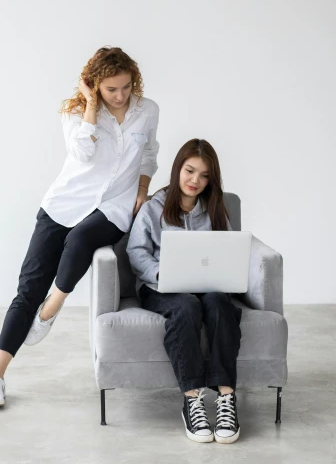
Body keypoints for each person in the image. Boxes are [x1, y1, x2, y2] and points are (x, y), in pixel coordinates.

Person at [0, 47, 160, 408]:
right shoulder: (76, 111)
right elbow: (81, 154)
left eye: (126, 87)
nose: (121, 95)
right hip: (65, 203)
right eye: (111, 89)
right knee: (28, 288)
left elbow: (149, 154)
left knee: (80, 240)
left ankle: (51, 309)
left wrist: (141, 190)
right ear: (95, 86)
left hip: (113, 207)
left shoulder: (148, 111)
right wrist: (92, 107)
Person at [126, 138, 241, 444]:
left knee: (219, 303)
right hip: (162, 287)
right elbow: (136, 252)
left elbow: (227, 250)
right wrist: (160, 273)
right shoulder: (154, 208)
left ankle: (227, 397)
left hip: (208, 286)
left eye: (204, 176)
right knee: (186, 307)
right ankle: (192, 399)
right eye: (190, 171)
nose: (195, 181)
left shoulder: (216, 210)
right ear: (178, 169)